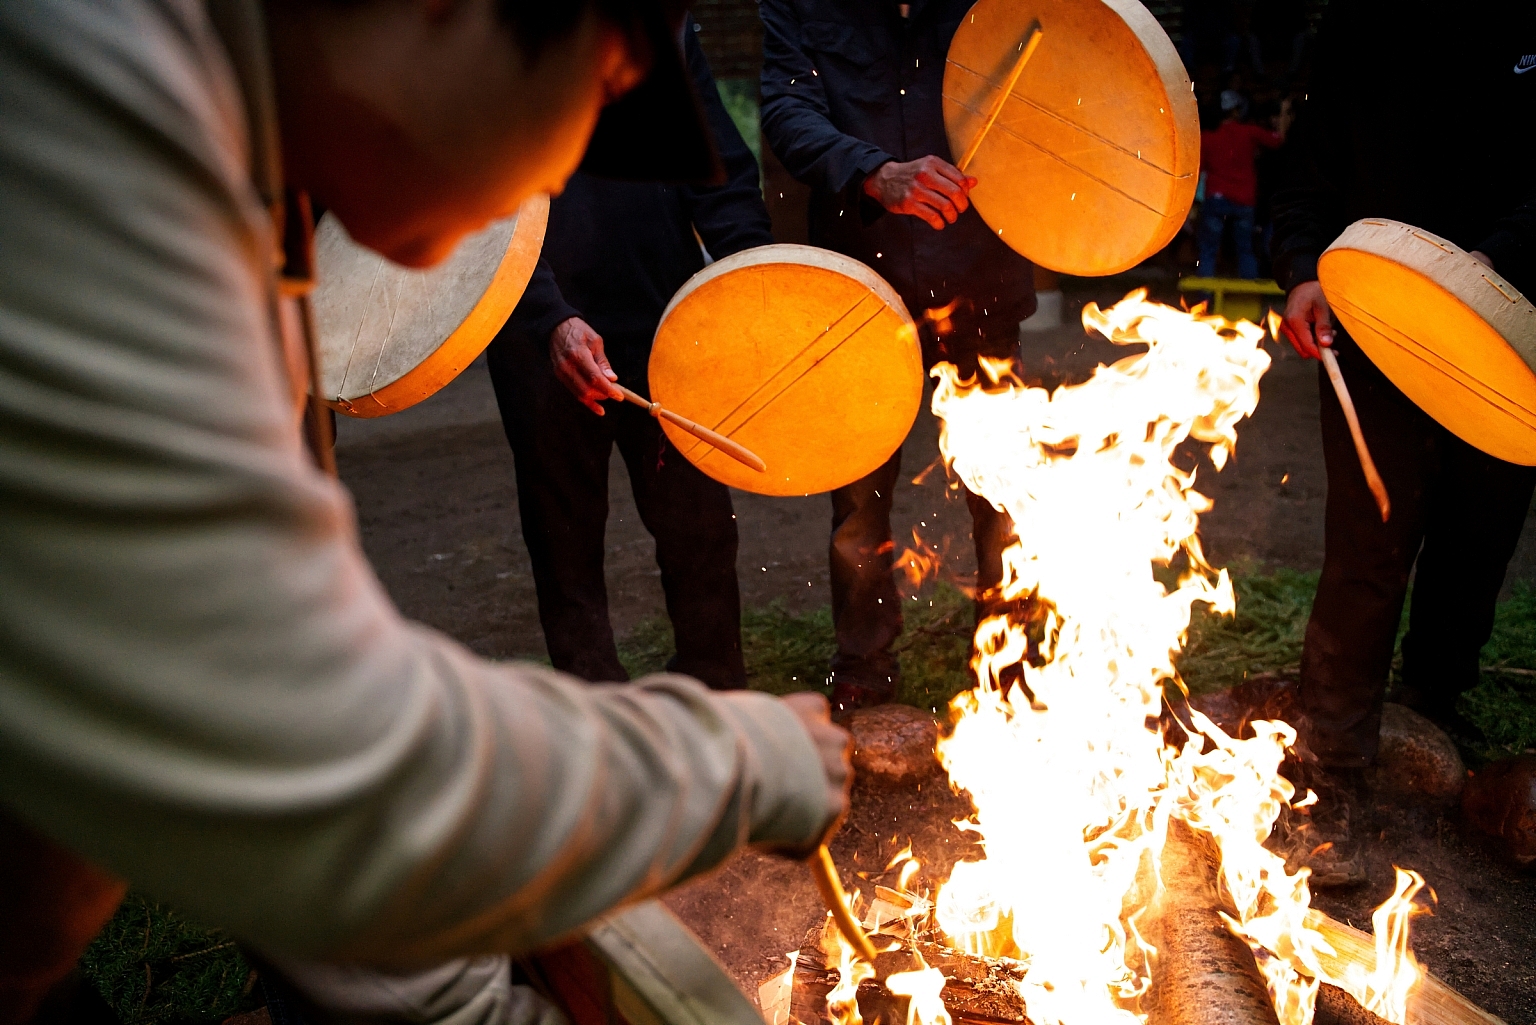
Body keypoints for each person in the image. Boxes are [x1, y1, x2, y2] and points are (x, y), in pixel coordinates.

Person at [0, 1, 851, 1023]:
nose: (568, 176)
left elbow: (272, 719)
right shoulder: (86, 114)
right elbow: (327, 748)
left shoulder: (237, 156)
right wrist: (741, 762)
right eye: (607, 96)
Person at [1270, 0, 1536, 885]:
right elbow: (1309, 168)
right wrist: (1302, 268)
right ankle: (1332, 773)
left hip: (1510, 328)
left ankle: (1430, 711)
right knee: (1368, 543)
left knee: (1479, 532)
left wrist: (1490, 264)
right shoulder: (1358, 23)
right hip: (1373, 326)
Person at [760, 0, 1036, 712]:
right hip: (861, 293)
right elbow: (787, 113)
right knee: (857, 505)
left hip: (982, 289)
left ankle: (1010, 662)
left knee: (1002, 494)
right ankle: (863, 664)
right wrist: (874, 171)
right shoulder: (798, 3)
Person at [486, 27, 769, 691]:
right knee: (565, 545)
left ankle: (716, 697)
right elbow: (478, 205)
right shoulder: (480, 33)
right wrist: (546, 316)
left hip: (663, 317)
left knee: (700, 528)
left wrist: (753, 283)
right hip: (537, 334)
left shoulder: (661, 26)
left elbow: (717, 169)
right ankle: (596, 720)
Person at [1196, 89, 1284, 279]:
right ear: (1236, 111)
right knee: (1245, 250)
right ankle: (1247, 298)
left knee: (1208, 251)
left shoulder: (1208, 138)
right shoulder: (1248, 132)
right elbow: (1277, 141)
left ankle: (1202, 300)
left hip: (1215, 198)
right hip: (1243, 200)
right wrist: (1284, 115)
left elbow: (1199, 170)